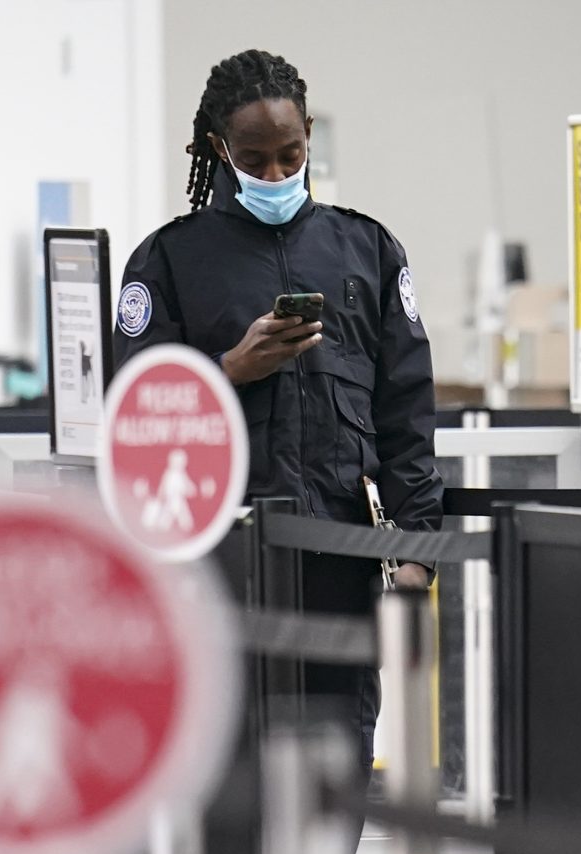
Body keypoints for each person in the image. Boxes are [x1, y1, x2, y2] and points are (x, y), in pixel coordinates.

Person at [117, 47, 440, 774]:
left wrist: (417, 551)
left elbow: (406, 415)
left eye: (289, 155)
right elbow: (136, 412)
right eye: (255, 159)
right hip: (218, 559)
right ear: (218, 150)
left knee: (338, 754)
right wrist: (229, 369)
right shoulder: (169, 261)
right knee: (225, 762)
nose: (274, 175)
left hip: (341, 555)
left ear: (309, 138)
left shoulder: (368, 250)